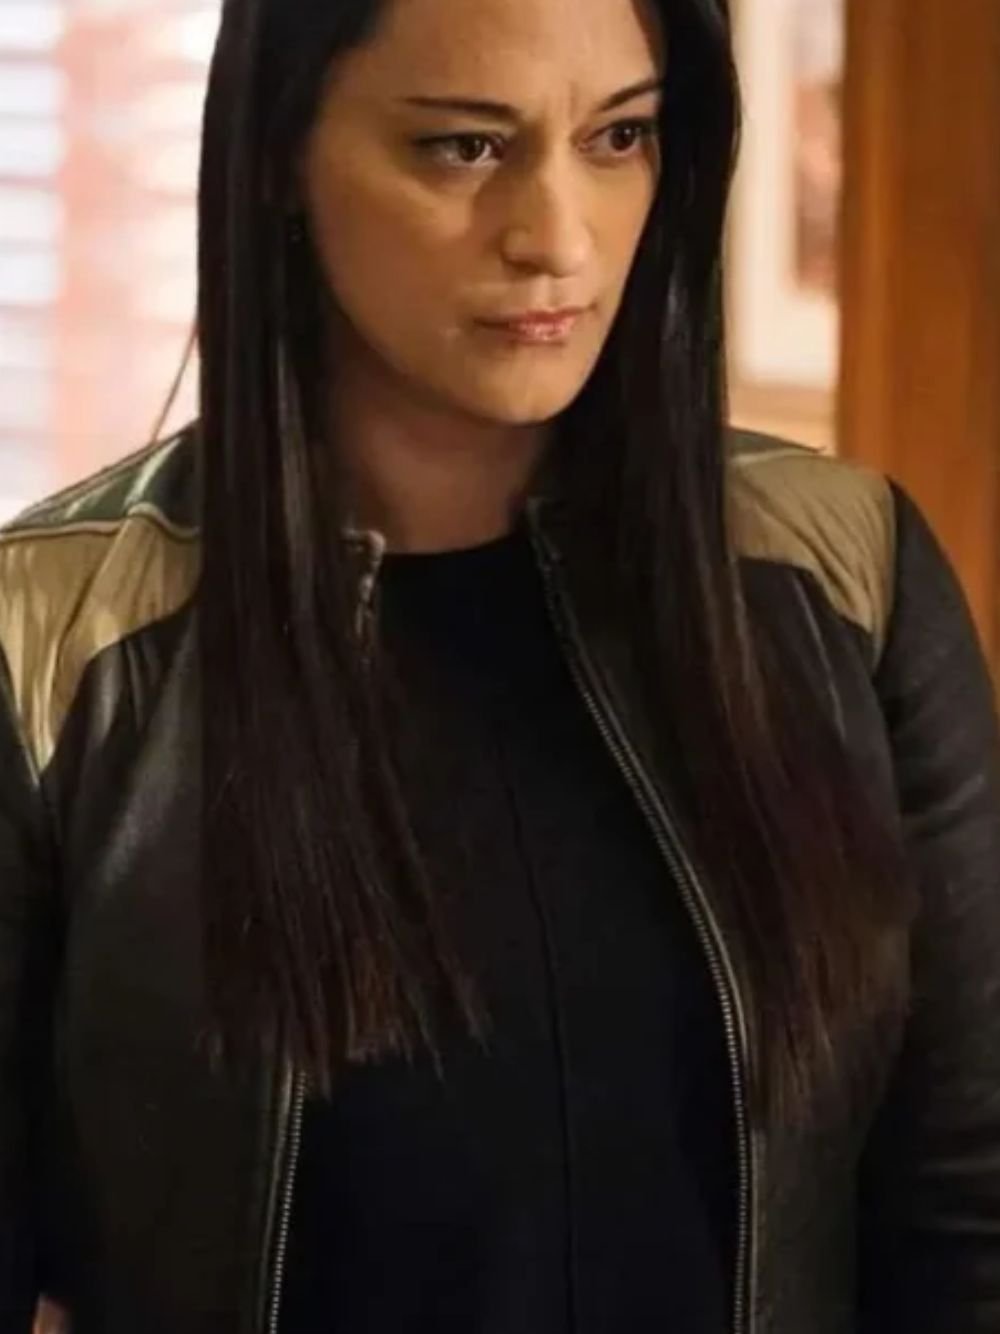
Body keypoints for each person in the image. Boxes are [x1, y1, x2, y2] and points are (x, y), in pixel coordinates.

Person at [3, 0, 999, 1330]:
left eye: (620, 137)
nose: (559, 239)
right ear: (277, 157)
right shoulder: (52, 638)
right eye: (465, 148)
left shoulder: (847, 577)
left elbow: (965, 1212)